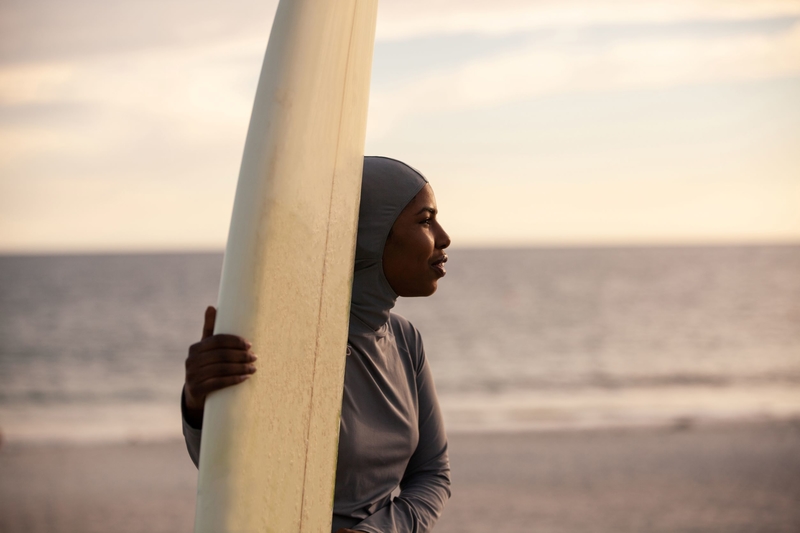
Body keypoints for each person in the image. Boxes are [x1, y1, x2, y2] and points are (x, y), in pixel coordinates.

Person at [181, 156, 452, 532]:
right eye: (425, 220)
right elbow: (226, 472)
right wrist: (197, 402)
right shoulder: (285, 339)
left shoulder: (406, 340)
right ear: (369, 233)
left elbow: (433, 473)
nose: (443, 237)